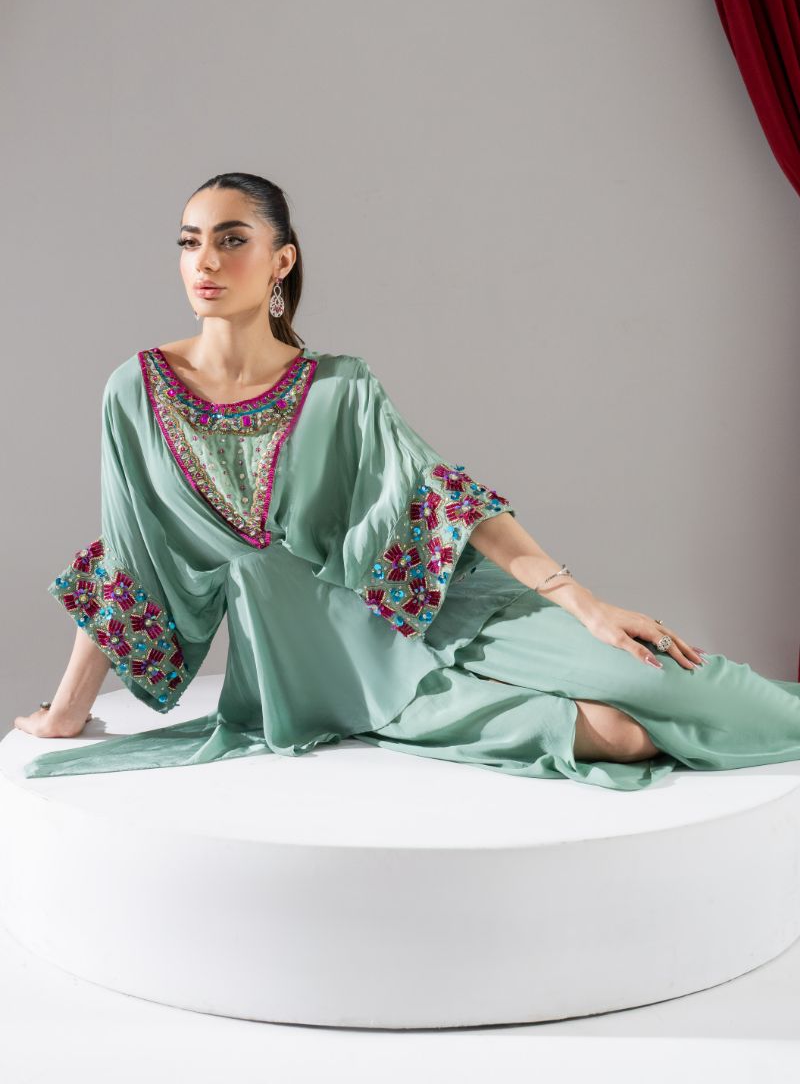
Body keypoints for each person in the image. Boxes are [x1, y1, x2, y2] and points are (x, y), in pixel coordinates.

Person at [16, 173, 800, 791]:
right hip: (329, 671)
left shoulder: (340, 386)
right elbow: (130, 555)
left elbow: (442, 498)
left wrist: (585, 603)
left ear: (282, 260)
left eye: (231, 239)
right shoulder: (136, 390)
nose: (206, 262)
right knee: (622, 737)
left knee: (676, 679)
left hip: (430, 608)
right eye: (190, 243)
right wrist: (68, 710)